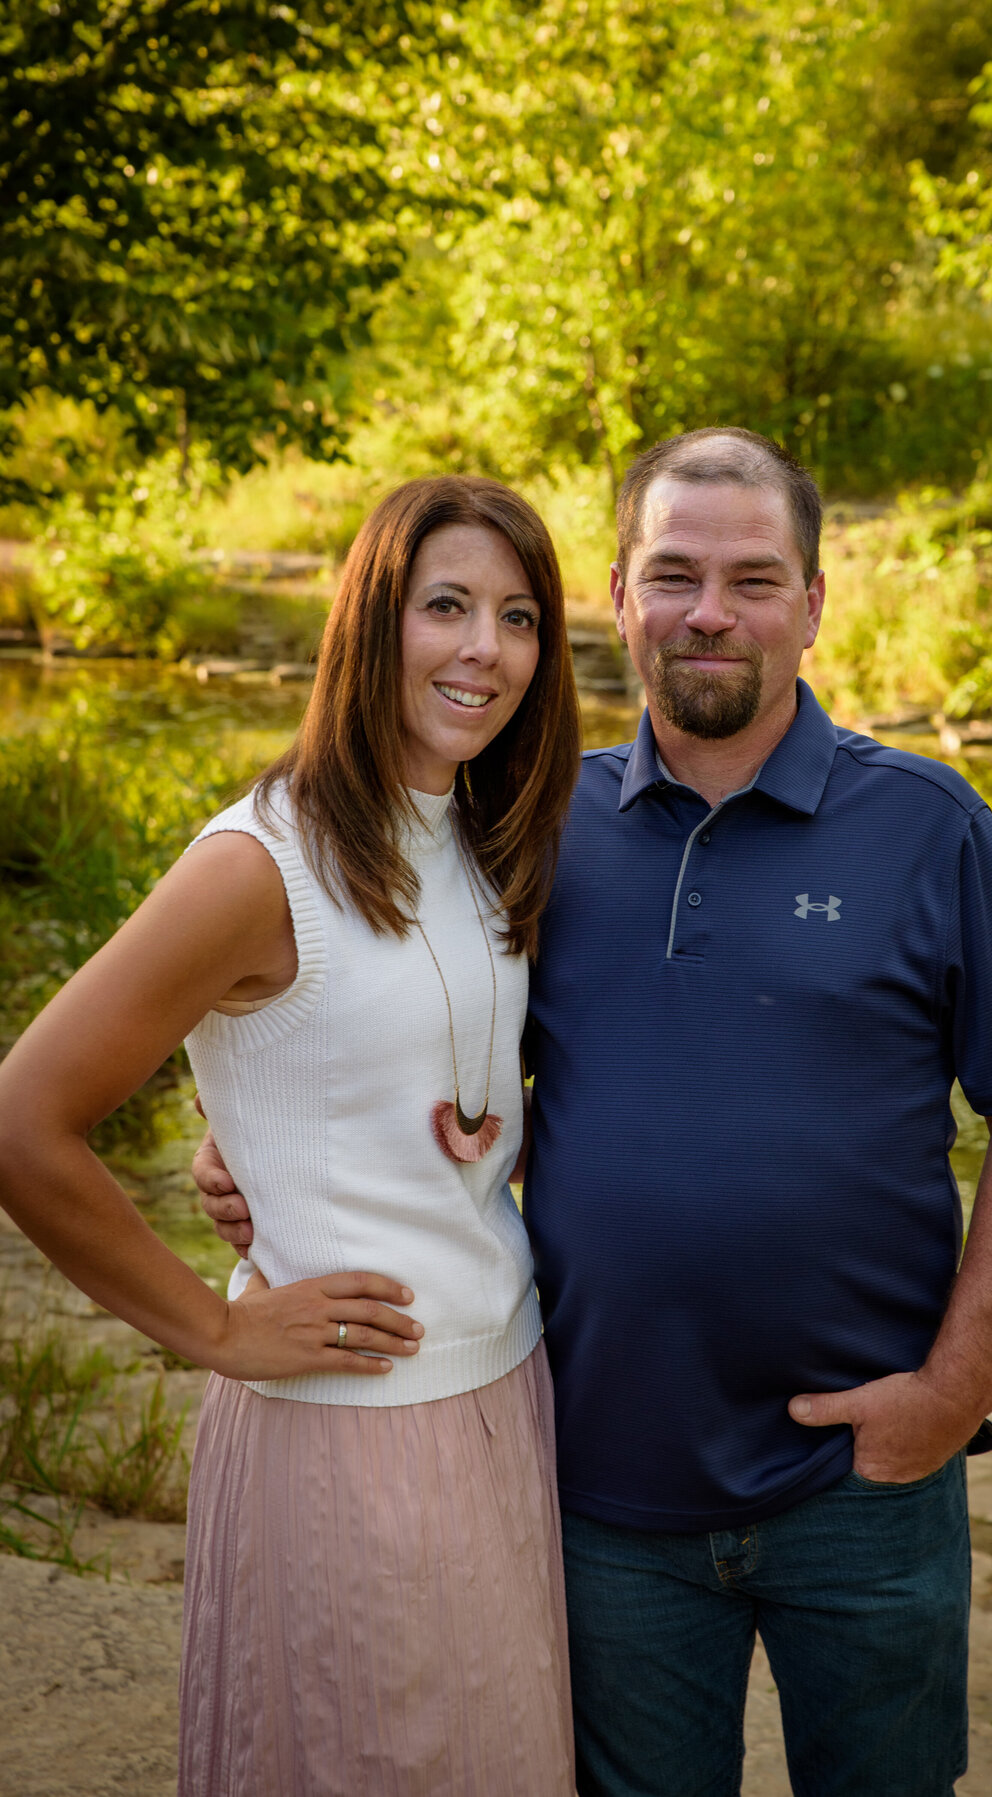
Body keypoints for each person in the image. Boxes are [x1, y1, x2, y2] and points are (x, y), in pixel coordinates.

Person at [196, 428, 992, 1797]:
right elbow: (408, 1018)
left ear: (813, 602)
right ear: (617, 597)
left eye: (752, 577)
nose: (710, 612)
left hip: (867, 1484)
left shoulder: (931, 823)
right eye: (673, 574)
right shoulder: (526, 820)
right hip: (602, 1486)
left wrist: (959, 1387)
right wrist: (255, 1134)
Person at [0, 475, 582, 1797]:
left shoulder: (486, 837)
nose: (485, 648)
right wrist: (210, 1330)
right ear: (370, 621)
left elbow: (412, 1089)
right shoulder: (257, 863)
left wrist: (253, 1139)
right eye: (446, 606)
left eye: (518, 616)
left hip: (507, 1401)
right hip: (344, 1436)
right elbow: (24, 1122)